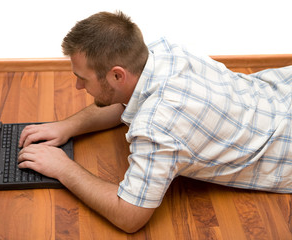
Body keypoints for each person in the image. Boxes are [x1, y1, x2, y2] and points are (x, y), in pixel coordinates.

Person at [18, 11, 292, 233]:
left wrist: (63, 168)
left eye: (83, 78)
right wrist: (67, 126)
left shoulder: (158, 125)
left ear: (117, 75)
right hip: (278, 93)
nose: (78, 86)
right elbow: (125, 99)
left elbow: (129, 216)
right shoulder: (161, 52)